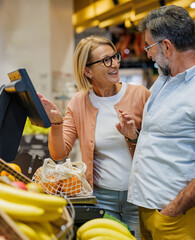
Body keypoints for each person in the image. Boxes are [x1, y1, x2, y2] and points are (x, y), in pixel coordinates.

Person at [119, 5, 195, 240]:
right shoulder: (164, 81)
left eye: (149, 47)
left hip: (176, 217)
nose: (148, 54)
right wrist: (134, 136)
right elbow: (164, 141)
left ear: (167, 46)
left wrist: (172, 210)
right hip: (147, 207)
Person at [38, 35, 150, 239]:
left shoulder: (140, 95)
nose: (114, 63)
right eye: (106, 60)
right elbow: (59, 152)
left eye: (114, 57)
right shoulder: (79, 102)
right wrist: (56, 123)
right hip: (101, 198)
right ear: (87, 70)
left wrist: (134, 136)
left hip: (139, 195)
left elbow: (159, 144)